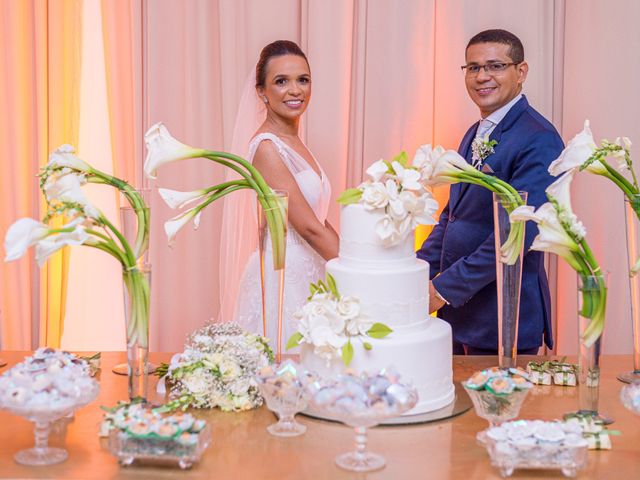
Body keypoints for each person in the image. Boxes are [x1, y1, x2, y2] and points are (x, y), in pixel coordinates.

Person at [416, 29, 564, 355]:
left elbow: (518, 234)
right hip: (457, 314)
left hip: (502, 316)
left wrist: (441, 289)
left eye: (495, 66)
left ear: (520, 71)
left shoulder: (539, 138)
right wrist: (412, 273)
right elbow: (452, 218)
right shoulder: (474, 132)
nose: (482, 76)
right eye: (473, 67)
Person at [219, 40, 339, 349]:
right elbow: (309, 229)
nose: (295, 90)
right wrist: (360, 273)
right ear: (262, 92)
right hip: (285, 278)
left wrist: (357, 256)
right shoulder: (267, 147)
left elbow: (318, 220)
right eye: (281, 81)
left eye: (303, 79)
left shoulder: (294, 141)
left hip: (313, 272)